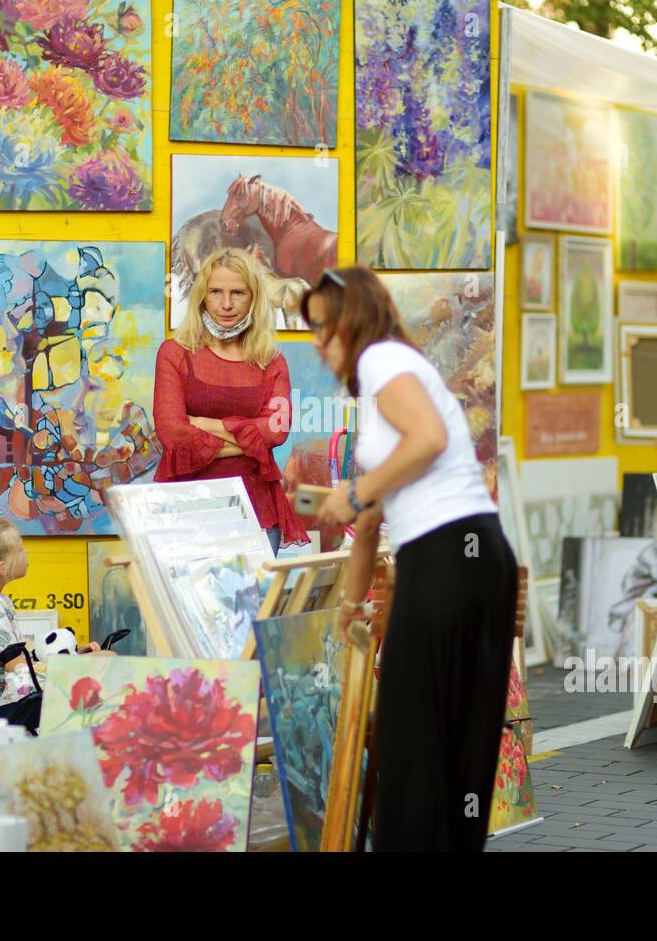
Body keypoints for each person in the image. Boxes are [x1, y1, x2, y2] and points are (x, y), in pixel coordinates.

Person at [305, 267, 517, 851]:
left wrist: (351, 493)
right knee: (455, 746)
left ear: (356, 321)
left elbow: (428, 440)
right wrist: (352, 604)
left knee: (412, 742)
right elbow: (372, 519)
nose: (319, 342)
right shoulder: (387, 380)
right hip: (474, 555)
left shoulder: (380, 360)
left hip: (447, 556)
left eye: (325, 328)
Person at [153, 248, 307, 555]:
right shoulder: (174, 353)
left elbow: (276, 432)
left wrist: (201, 424)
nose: (225, 304)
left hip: (257, 511)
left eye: (238, 293)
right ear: (201, 297)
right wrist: (251, 442)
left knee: (257, 604)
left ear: (254, 298)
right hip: (187, 510)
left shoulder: (271, 361)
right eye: (215, 292)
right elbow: (173, 434)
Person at [0, 514, 107, 733]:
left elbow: (13, 661)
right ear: (1, 567)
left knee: (95, 661)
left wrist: (72, 657)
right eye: (21, 549)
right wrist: (74, 663)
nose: (26, 553)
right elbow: (17, 668)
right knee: (106, 661)